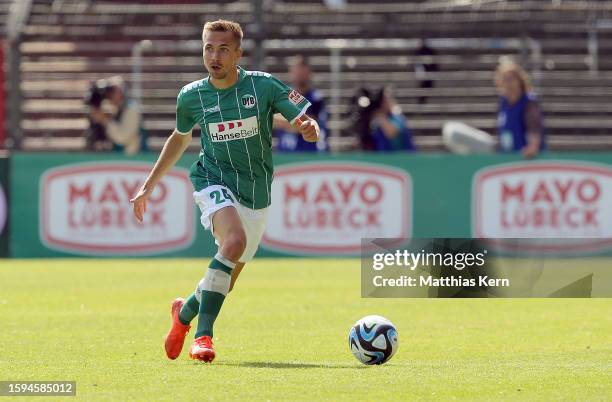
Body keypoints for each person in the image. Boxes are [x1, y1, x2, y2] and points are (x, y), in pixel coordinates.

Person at [129, 20, 320, 363]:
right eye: (208, 48)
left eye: (222, 49)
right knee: (233, 243)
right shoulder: (191, 96)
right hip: (211, 179)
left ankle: (182, 314)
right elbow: (180, 137)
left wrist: (309, 126)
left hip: (256, 192)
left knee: (225, 280)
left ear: (238, 54)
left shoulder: (263, 86)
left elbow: (302, 115)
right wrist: (148, 185)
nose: (213, 56)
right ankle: (203, 337)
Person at [443, 58, 544, 158]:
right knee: (453, 131)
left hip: (523, 155)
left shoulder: (528, 102)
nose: (508, 84)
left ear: (520, 81)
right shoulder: (504, 103)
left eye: (511, 79)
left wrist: (532, 146)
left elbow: (534, 128)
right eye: (505, 80)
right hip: (503, 153)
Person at [273, 55, 328, 152]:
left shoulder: (315, 98)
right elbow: (272, 120)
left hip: (309, 152)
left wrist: (283, 120)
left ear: (309, 73)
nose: (300, 75)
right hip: (284, 153)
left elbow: (306, 124)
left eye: (303, 71)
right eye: (297, 71)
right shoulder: (284, 95)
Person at [87, 76, 147, 155]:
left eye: (113, 91)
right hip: (119, 158)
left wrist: (105, 120)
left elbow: (122, 138)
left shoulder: (131, 110)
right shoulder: (114, 110)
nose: (109, 94)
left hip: (133, 159)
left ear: (122, 92)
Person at [369, 87, 415, 152]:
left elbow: (392, 133)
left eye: (388, 99)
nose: (387, 102)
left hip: (402, 157)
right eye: (384, 99)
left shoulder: (397, 116)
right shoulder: (374, 119)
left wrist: (381, 116)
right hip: (382, 157)